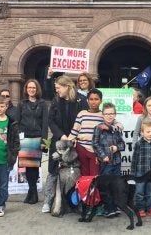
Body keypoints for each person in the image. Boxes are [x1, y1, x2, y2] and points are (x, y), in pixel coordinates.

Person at [43, 76, 89, 213]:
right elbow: (51, 120)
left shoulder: (81, 100)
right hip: (59, 140)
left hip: (76, 141)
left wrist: (74, 136)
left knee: (76, 171)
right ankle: (48, 200)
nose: (57, 91)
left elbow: (84, 119)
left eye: (58, 88)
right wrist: (62, 135)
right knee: (53, 170)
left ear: (67, 86)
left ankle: (76, 202)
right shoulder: (56, 100)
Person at [16, 79, 48, 204]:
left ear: (37, 89)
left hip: (37, 138)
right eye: (29, 87)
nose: (31, 90)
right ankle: (32, 192)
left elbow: (45, 124)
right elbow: (17, 122)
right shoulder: (21, 104)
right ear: (26, 89)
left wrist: (44, 141)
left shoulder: (43, 104)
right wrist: (17, 139)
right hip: (24, 139)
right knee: (27, 167)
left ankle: (32, 193)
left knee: (35, 167)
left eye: (33, 88)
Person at [92, 102, 126, 217]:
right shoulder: (98, 128)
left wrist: (117, 147)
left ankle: (115, 207)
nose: (109, 116)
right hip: (105, 163)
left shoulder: (116, 129)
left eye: (111, 113)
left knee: (116, 185)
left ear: (115, 114)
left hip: (116, 162)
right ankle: (108, 208)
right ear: (103, 115)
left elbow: (123, 144)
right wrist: (103, 156)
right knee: (106, 186)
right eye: (107, 114)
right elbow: (95, 144)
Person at [69, 88, 104, 176]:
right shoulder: (82, 114)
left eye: (96, 99)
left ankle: (93, 190)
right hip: (81, 148)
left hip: (96, 151)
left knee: (94, 176)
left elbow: (114, 124)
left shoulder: (103, 115)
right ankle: (84, 190)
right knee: (83, 175)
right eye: (91, 99)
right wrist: (67, 143)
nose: (93, 102)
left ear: (101, 101)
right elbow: (74, 131)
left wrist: (118, 126)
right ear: (87, 101)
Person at [132, 120, 151, 217]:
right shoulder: (138, 144)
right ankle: (141, 208)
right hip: (140, 173)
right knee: (139, 192)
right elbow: (134, 159)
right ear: (142, 133)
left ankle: (150, 207)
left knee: (150, 192)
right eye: (148, 132)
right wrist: (133, 173)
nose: (150, 134)